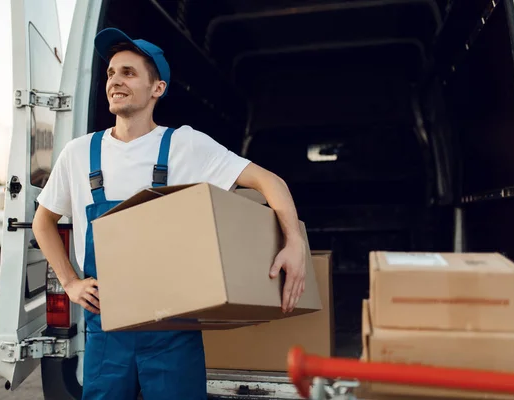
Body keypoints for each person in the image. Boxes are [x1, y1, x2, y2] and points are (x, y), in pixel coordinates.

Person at [32, 27, 307, 400]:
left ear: (157, 88)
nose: (115, 80)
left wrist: (294, 245)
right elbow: (43, 221)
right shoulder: (78, 153)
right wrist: (69, 283)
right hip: (105, 329)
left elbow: (270, 182)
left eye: (129, 73)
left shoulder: (185, 145)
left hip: (173, 329)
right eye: (111, 73)